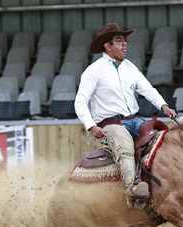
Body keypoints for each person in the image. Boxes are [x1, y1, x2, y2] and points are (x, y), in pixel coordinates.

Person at [74, 23, 177, 209]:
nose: (124, 44)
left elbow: (147, 89)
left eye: (125, 40)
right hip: (110, 123)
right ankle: (133, 189)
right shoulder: (94, 70)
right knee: (125, 148)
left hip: (134, 120)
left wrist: (163, 106)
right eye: (119, 40)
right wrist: (91, 126)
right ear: (107, 45)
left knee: (162, 140)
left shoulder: (129, 67)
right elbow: (80, 101)